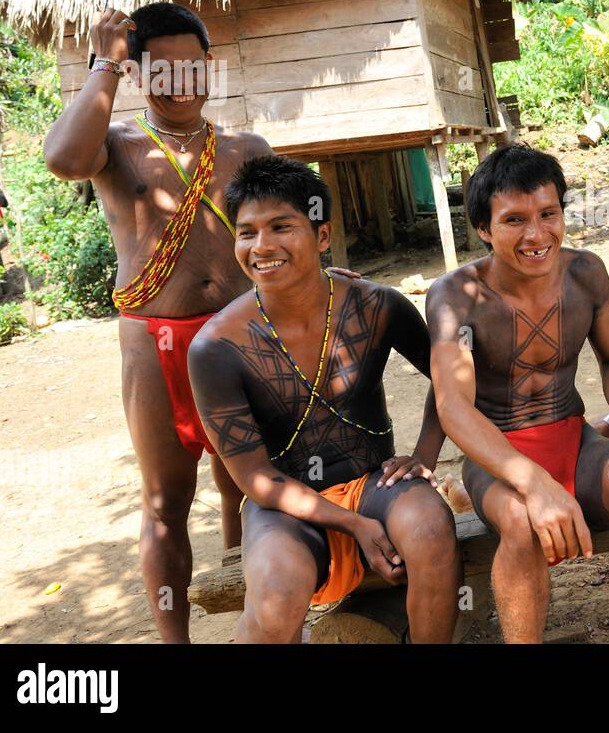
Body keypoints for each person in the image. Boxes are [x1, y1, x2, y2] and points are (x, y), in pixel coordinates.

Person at [43, 3, 271, 642]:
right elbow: (62, 158)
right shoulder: (115, 150)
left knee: (249, 487)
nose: (182, 82)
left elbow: (289, 235)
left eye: (193, 67)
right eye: (161, 70)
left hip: (240, 335)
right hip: (154, 341)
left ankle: (254, 614)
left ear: (210, 69)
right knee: (166, 504)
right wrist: (104, 64)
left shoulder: (247, 150)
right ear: (139, 76)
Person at [188, 155, 459, 643]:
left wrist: (422, 457)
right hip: (284, 506)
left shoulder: (377, 307)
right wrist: (351, 524)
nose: (261, 246)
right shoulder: (216, 348)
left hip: (376, 483)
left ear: (324, 236)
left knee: (432, 529)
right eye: (246, 232)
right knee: (274, 592)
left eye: (281, 227)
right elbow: (256, 479)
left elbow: (451, 377)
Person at [425, 144, 609, 643]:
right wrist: (532, 481)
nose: (536, 234)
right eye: (514, 220)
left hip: (574, 439)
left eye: (549, 214)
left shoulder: (586, 273)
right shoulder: (455, 295)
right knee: (520, 521)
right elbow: (453, 405)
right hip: (496, 453)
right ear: (483, 228)